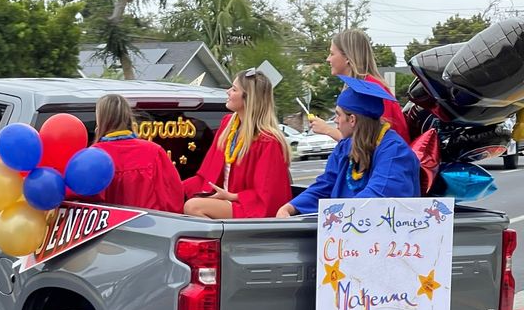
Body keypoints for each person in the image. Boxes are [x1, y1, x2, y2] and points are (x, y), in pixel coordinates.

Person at [276, 75, 419, 218]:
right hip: (345, 230)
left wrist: (339, 216)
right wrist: (290, 207)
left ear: (352, 120)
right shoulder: (345, 147)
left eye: (338, 115)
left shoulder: (394, 151)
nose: (335, 120)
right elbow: (325, 185)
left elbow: (377, 197)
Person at [182, 69, 291, 218]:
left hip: (247, 207)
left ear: (248, 98)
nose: (227, 92)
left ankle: (220, 241)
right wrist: (171, 187)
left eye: (234, 89)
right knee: (172, 196)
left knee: (193, 206)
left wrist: (232, 196)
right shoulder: (228, 125)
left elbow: (268, 195)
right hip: (224, 200)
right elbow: (206, 177)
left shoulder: (268, 141)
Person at [311, 29, 410, 144]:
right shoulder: (361, 86)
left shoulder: (371, 89)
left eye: (332, 53)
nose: (328, 59)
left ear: (348, 57)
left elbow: (372, 143)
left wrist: (327, 130)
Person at [90, 94, 184, 213]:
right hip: (151, 227)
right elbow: (173, 197)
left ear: (100, 120)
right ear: (128, 116)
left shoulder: (94, 156)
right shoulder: (153, 151)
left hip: (110, 228)